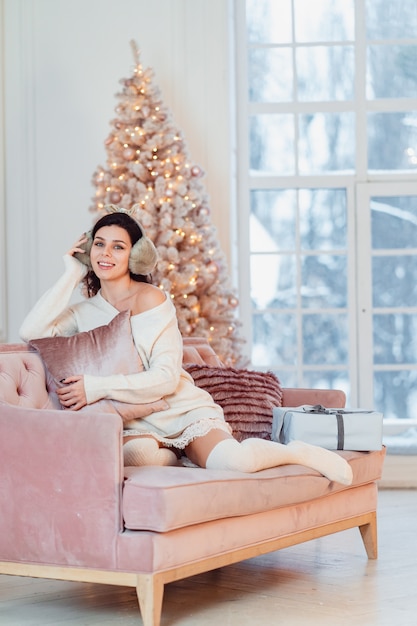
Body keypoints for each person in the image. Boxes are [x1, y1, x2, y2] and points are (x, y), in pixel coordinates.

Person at [19, 205, 353, 485]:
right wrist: (70, 273)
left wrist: (95, 387)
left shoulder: (151, 299)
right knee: (137, 455)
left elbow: (165, 377)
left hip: (177, 407)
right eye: (100, 245)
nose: (106, 254)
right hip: (134, 420)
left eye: (118, 246)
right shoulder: (84, 312)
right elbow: (31, 331)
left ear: (134, 255)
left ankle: (299, 451)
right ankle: (175, 457)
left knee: (232, 463)